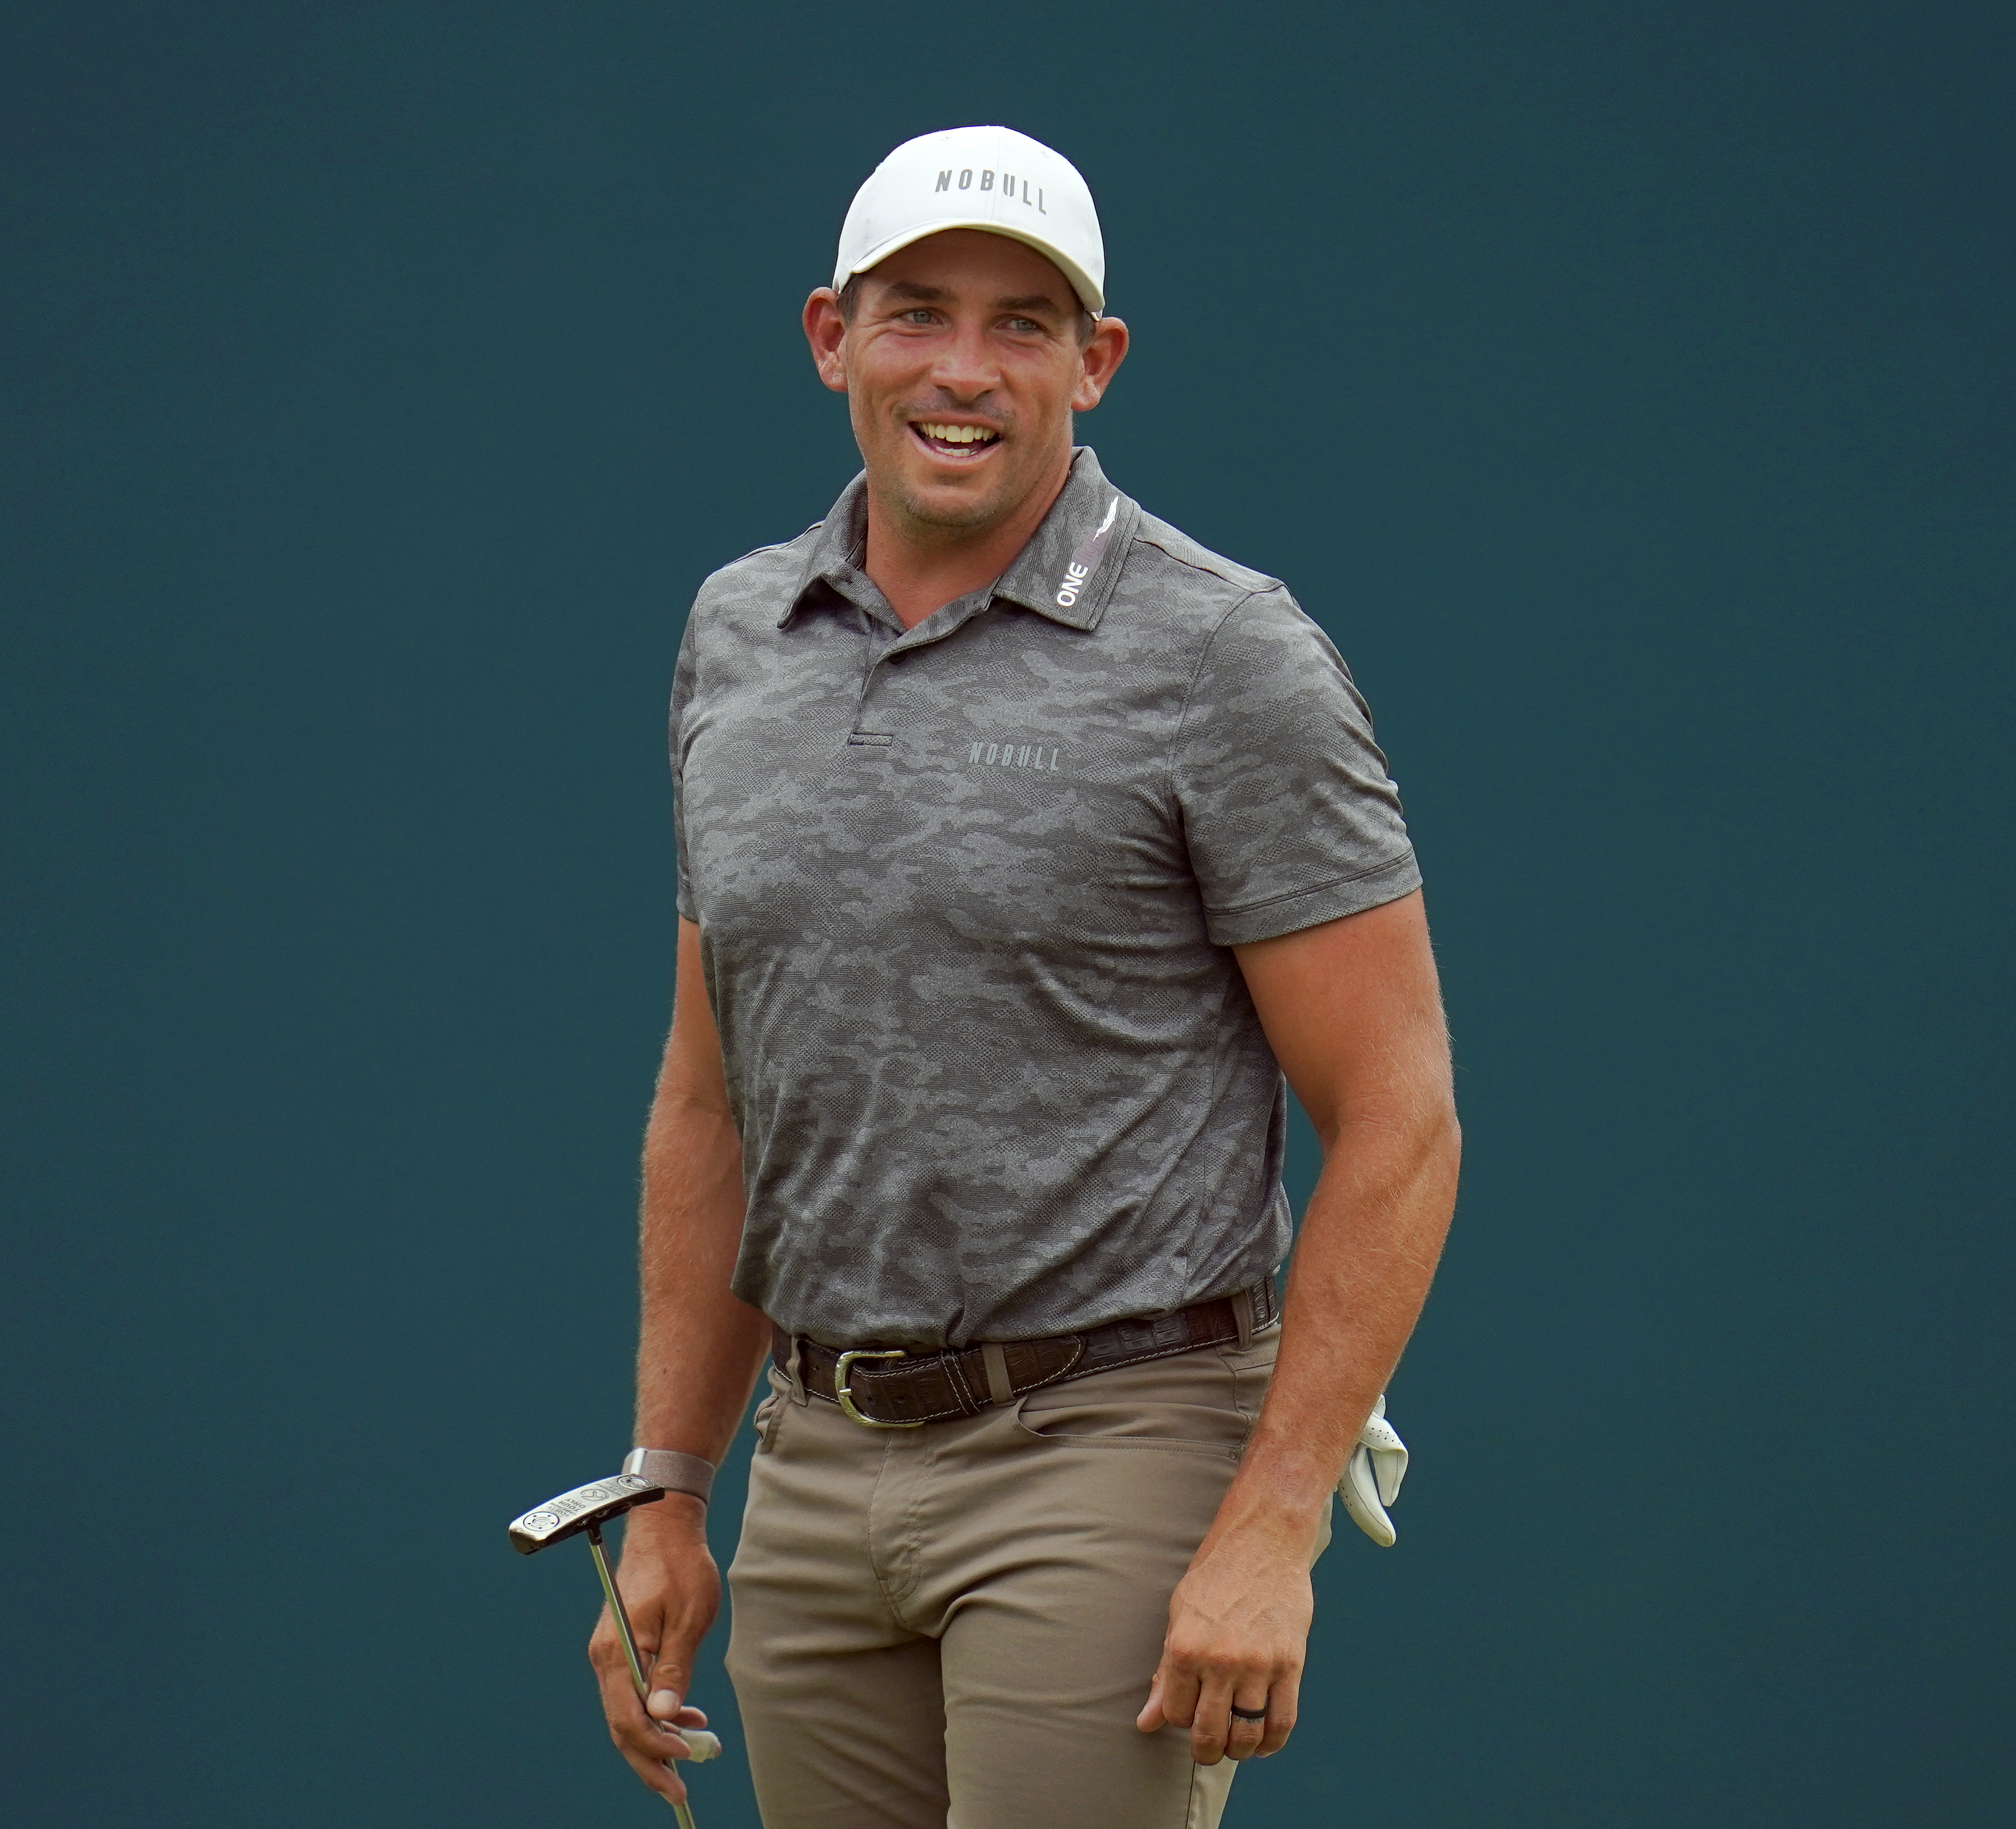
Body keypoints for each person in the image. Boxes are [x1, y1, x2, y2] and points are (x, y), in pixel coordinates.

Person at [583, 124, 1461, 1829]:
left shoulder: (1225, 655)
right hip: (819, 1459)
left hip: (1113, 1443)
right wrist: (667, 1485)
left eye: (1023, 324)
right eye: (918, 314)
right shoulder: (734, 637)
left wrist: (1270, 1526)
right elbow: (713, 1092)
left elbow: (1401, 1118)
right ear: (833, 337)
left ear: (1096, 362)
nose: (964, 371)